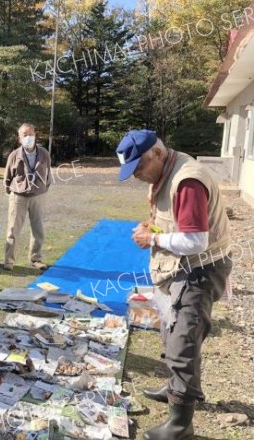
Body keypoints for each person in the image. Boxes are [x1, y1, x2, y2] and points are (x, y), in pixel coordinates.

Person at [116, 130, 232, 440]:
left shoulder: (187, 181)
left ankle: (181, 424)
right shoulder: (164, 172)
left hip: (198, 270)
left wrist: (152, 238)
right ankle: (174, 389)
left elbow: (195, 240)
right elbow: (174, 221)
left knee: (184, 341)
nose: (138, 176)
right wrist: (151, 226)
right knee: (170, 331)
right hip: (179, 266)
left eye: (139, 168)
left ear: (156, 153)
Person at [3, 123, 52, 271]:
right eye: (25, 135)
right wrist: (13, 192)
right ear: (19, 138)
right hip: (18, 196)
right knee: (13, 230)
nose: (28, 137)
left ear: (35, 135)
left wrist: (42, 189)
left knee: (38, 229)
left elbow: (48, 175)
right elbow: (7, 178)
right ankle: (9, 261)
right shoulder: (14, 155)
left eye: (31, 134)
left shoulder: (44, 154)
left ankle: (36, 259)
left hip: (38, 196)